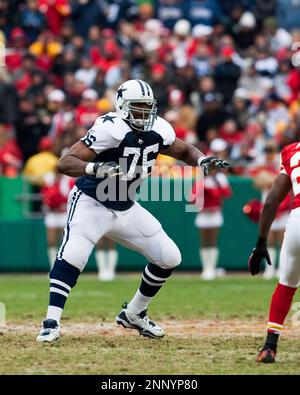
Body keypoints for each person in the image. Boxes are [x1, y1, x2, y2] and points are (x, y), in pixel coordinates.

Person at [36, 79, 229, 342]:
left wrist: (201, 159)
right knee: (73, 257)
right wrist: (94, 168)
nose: (145, 114)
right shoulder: (109, 128)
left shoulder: (159, 128)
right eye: (138, 108)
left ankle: (134, 314)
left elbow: (184, 149)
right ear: (122, 106)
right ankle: (51, 322)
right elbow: (65, 162)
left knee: (170, 257)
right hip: (91, 202)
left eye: (148, 107)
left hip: (126, 206)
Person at [248, 141, 300, 363]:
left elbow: (270, 203)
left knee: (287, 284)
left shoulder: (292, 151)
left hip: (298, 221)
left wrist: (260, 243)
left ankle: (269, 347)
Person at [191, 138, 232, 280]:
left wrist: (216, 188)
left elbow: (227, 194)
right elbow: (193, 197)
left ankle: (212, 268)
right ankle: (206, 269)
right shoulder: (201, 179)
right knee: (204, 240)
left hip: (215, 213)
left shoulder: (220, 179)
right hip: (203, 214)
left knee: (213, 240)